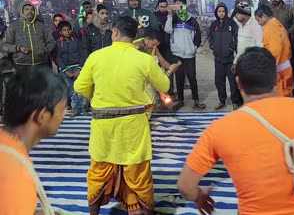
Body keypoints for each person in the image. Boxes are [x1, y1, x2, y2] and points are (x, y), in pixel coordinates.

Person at [177, 47, 294, 215]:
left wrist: (199, 197)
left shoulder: (218, 129)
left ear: (238, 83)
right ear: (277, 78)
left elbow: (185, 185)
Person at [74, 15, 171, 215]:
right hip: (134, 126)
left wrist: (100, 97)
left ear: (115, 32)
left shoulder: (96, 56)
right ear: (134, 35)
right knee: (138, 173)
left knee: (98, 171)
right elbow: (165, 85)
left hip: (103, 126)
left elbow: (80, 87)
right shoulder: (143, 59)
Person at [0, 67, 68, 214]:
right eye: (62, 109)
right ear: (41, 116)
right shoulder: (15, 173)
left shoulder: (7, 147)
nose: (65, 113)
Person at [165, 0, 206, 110]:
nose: (178, 7)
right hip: (177, 54)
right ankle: (181, 101)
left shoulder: (192, 20)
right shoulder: (173, 18)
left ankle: (196, 100)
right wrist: (169, 14)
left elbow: (198, 36)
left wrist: (194, 47)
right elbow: (167, 30)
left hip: (189, 54)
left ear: (184, 6)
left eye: (180, 5)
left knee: (192, 77)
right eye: (176, 4)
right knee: (179, 77)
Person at [2, 1, 55, 75]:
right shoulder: (13, 27)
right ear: (21, 11)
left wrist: (45, 50)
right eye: (26, 9)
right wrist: (19, 48)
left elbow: (51, 42)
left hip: (42, 65)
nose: (30, 11)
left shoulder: (42, 26)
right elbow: (5, 45)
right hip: (21, 66)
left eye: (32, 9)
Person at [208, 2, 242, 110]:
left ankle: (235, 102)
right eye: (219, 11)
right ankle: (221, 101)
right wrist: (213, 46)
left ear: (226, 12)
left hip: (229, 59)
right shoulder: (214, 25)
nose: (221, 13)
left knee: (232, 81)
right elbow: (209, 36)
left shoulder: (231, 23)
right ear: (216, 12)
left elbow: (237, 36)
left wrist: (232, 48)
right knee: (219, 81)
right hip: (218, 59)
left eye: (223, 11)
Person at [269, 0, 294, 97]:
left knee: (290, 67)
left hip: (287, 44)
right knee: (274, 68)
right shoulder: (268, 10)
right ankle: (277, 91)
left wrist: (287, 32)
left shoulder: (289, 9)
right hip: (272, 44)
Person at [255, 5, 293, 97]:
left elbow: (274, 51)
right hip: (285, 70)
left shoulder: (270, 27)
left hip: (278, 74)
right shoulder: (277, 24)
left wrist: (267, 69)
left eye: (258, 20)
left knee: (279, 103)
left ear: (263, 16)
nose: (258, 23)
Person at [55, 21, 88, 117]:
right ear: (60, 32)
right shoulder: (58, 43)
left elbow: (83, 54)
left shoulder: (77, 40)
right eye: (64, 30)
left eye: (69, 29)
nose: (67, 32)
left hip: (78, 67)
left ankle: (84, 108)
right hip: (66, 70)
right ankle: (75, 108)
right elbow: (58, 57)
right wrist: (65, 70)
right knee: (71, 90)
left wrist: (79, 68)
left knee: (81, 89)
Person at [233, 2, 263, 73]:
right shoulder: (240, 25)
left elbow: (260, 46)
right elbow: (241, 47)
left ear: (245, 13)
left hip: (252, 64)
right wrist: (235, 62)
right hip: (242, 62)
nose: (236, 15)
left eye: (238, 13)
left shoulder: (255, 25)